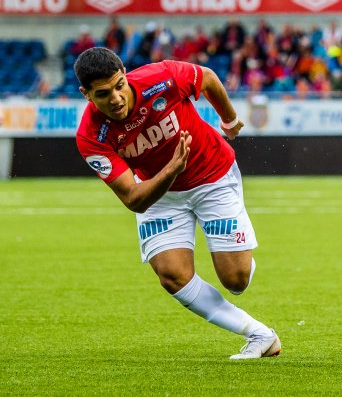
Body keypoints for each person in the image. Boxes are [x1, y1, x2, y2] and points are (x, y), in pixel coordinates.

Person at [74, 47, 280, 360]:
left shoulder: (161, 77)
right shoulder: (91, 136)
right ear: (86, 94)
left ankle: (238, 256)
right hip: (159, 194)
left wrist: (229, 119)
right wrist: (171, 169)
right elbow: (133, 199)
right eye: (102, 94)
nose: (115, 98)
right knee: (171, 276)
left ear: (125, 75)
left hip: (212, 175)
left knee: (236, 281)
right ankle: (260, 335)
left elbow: (208, 78)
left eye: (119, 86)